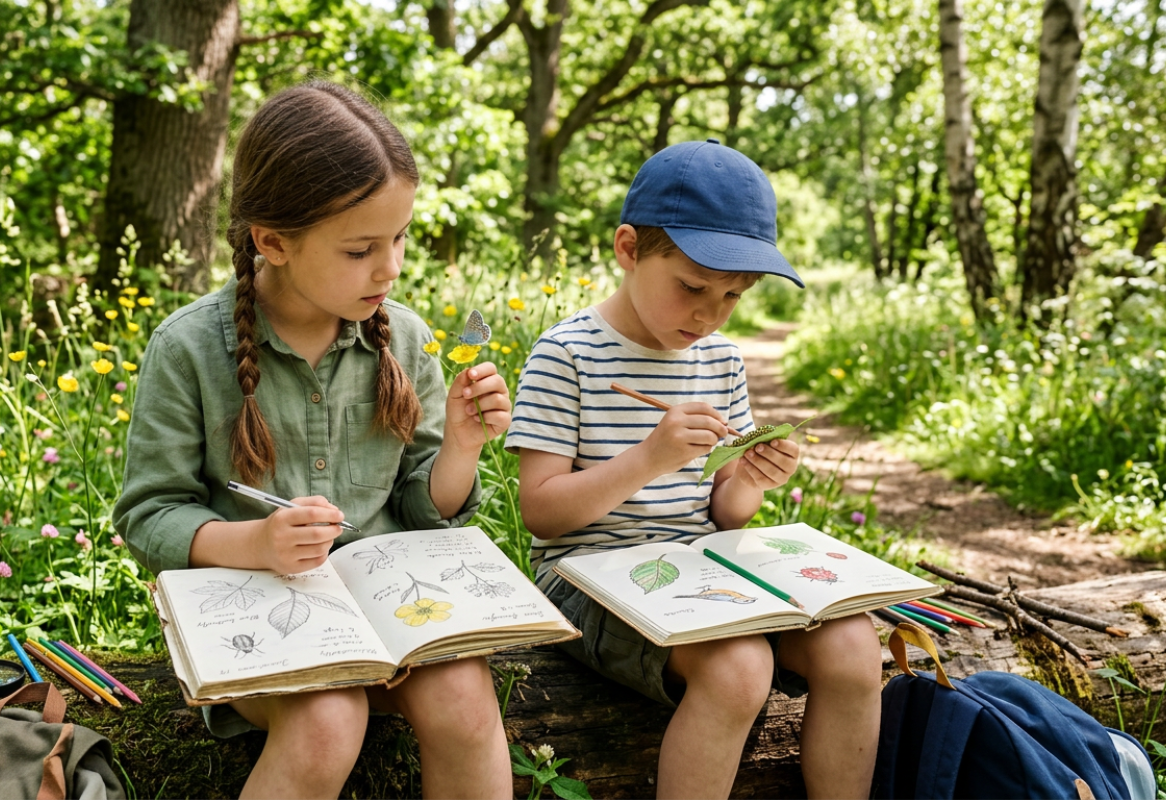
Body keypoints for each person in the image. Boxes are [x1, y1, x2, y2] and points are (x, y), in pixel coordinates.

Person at [112, 81, 513, 800]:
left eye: (399, 239)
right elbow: (149, 515)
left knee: (464, 702)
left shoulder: (408, 339)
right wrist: (258, 544)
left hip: (389, 609)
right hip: (252, 610)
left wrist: (460, 447)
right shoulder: (188, 348)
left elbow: (427, 508)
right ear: (272, 241)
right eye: (361, 249)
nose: (389, 267)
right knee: (328, 718)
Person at [506, 139, 882, 800]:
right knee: (739, 666)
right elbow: (541, 511)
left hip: (703, 569)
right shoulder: (566, 353)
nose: (709, 313)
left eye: (733, 296)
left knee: (852, 646)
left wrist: (749, 481)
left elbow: (721, 514)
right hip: (585, 575)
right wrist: (648, 459)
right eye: (691, 287)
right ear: (627, 249)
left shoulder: (721, 362)